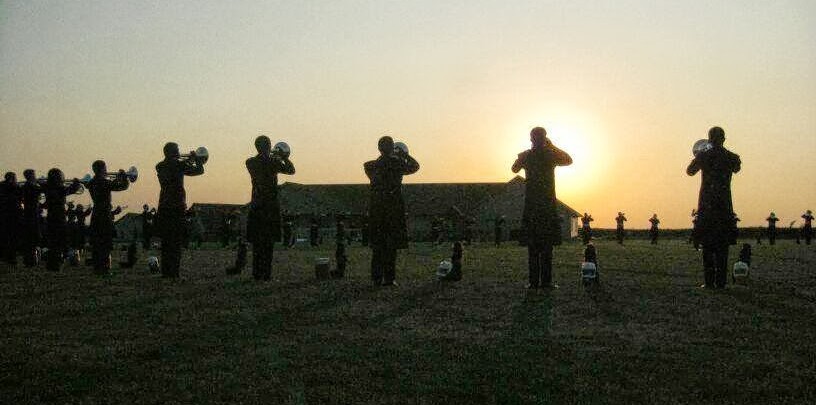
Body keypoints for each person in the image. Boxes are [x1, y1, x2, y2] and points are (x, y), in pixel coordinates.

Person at [511, 127, 573, 289]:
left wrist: (521, 157)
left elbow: (514, 168)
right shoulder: (550, 155)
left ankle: (534, 282)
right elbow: (568, 160)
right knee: (546, 247)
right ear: (544, 138)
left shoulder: (527, 155)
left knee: (533, 247)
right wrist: (552, 146)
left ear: (531, 138)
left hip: (532, 206)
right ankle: (545, 282)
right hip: (546, 205)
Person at [687, 126, 741, 289]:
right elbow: (737, 168)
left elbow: (690, 171)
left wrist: (701, 154)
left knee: (707, 245)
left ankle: (709, 281)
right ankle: (721, 282)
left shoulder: (703, 156)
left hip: (707, 205)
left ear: (709, 139)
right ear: (724, 139)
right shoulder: (732, 157)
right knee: (723, 246)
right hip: (724, 205)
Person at [364, 136, 420, 286]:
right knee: (391, 246)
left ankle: (376, 278)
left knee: (378, 245)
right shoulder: (397, 164)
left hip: (376, 208)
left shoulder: (371, 166)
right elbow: (415, 166)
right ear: (392, 148)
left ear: (379, 148)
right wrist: (404, 155)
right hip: (393, 208)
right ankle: (389, 278)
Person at [246, 136, 295, 281]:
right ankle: (266, 274)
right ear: (268, 146)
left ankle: (256, 274)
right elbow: (291, 170)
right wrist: (284, 157)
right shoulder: (273, 162)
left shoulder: (250, 162)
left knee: (257, 243)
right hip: (270, 206)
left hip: (256, 205)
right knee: (268, 243)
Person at [156, 142, 205, 278]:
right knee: (176, 241)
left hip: (164, 206)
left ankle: (166, 272)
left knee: (166, 242)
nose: (179, 152)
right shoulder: (179, 165)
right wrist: (196, 159)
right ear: (172, 152)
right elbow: (199, 171)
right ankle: (174, 273)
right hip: (177, 206)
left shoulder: (160, 166)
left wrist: (187, 160)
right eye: (177, 150)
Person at [87, 161, 129, 275]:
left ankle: (97, 268)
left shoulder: (91, 183)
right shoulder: (104, 182)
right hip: (104, 214)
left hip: (96, 213)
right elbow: (122, 187)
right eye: (105, 168)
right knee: (105, 242)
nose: (106, 170)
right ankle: (104, 269)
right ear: (102, 169)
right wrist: (124, 178)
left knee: (97, 243)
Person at [43, 169, 82, 272]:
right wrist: (76, 183)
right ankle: (57, 264)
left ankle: (51, 265)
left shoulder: (46, 187)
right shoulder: (60, 189)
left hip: (50, 217)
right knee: (61, 241)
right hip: (60, 217)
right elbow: (73, 189)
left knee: (52, 242)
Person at [20, 169, 44, 267]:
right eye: (34, 175)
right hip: (32, 214)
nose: (35, 176)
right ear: (30, 176)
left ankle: (30, 260)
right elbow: (43, 190)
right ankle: (32, 260)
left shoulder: (25, 186)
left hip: (29, 214)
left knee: (30, 238)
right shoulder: (31, 186)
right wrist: (42, 183)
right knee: (33, 237)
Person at [0, 172, 22, 264]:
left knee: (4, 237)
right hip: (13, 215)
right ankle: (11, 257)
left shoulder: (1, 186)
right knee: (13, 237)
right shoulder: (15, 188)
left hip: (3, 216)